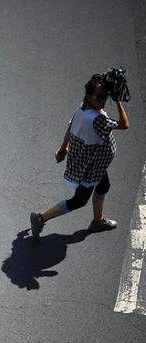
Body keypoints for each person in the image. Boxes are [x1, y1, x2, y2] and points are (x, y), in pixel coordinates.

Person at [30, 74, 130, 239]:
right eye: (100, 97)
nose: (104, 100)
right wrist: (118, 100)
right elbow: (125, 125)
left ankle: (98, 221)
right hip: (90, 166)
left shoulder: (83, 107)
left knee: (103, 186)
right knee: (79, 201)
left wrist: (63, 147)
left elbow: (71, 126)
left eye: (106, 95)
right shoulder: (97, 119)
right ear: (90, 97)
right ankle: (40, 218)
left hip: (96, 163)